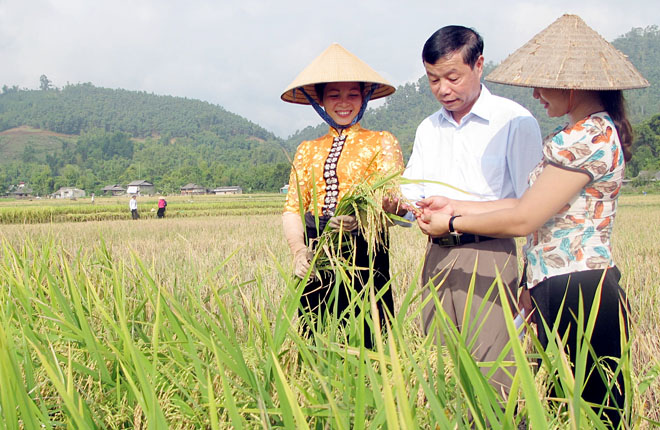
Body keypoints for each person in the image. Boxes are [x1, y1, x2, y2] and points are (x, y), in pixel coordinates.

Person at [416, 14, 648, 427]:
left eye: (543, 84)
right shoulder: (579, 132)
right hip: (554, 283)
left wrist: (452, 223)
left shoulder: (588, 138)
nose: (537, 94)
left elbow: (524, 217)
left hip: (582, 288)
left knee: (596, 411)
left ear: (572, 85)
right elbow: (529, 208)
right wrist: (452, 205)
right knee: (562, 410)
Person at [396, 25, 543, 395]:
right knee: (438, 371)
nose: (443, 89)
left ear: (479, 65)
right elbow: (410, 197)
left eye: (452, 77)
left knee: (494, 374)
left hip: (491, 255)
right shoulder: (428, 128)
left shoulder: (515, 121)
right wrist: (395, 204)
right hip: (437, 257)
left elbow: (533, 205)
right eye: (433, 80)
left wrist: (530, 279)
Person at [281, 43, 404, 349]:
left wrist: (362, 218)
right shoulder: (307, 149)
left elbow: (393, 201)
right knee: (314, 341)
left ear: (364, 97)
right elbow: (293, 208)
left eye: (353, 94)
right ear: (320, 100)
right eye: (334, 95)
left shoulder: (381, 142)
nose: (344, 102)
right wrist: (299, 251)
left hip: (365, 250)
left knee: (368, 342)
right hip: (317, 251)